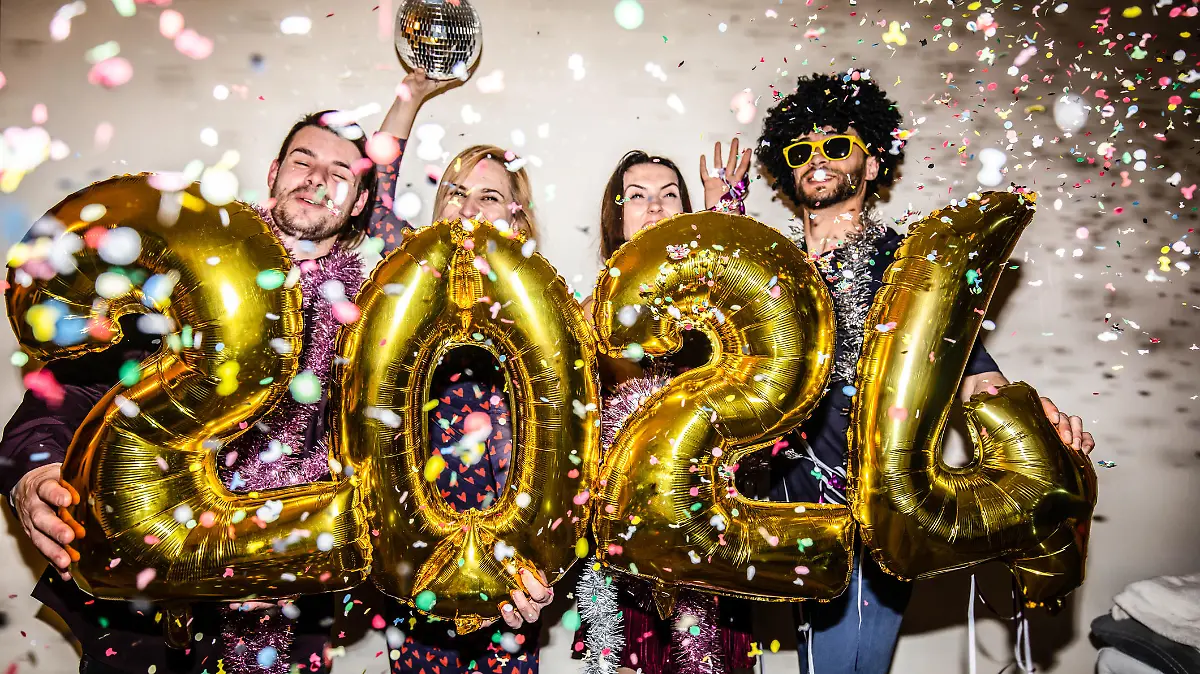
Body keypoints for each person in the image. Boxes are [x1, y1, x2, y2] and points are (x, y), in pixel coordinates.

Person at [1, 110, 383, 673]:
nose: (316, 178)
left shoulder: (372, 318)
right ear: (275, 171)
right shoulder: (182, 272)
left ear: (356, 204)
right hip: (144, 608)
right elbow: (61, 397)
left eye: (340, 172)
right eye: (303, 160)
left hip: (286, 605)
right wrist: (34, 475)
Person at [756, 70, 1096, 674]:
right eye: (800, 148)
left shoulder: (904, 264)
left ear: (871, 163)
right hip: (784, 515)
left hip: (875, 510)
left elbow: (968, 366)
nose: (817, 158)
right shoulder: (771, 273)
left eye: (837, 144)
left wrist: (1037, 424)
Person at [368, 68, 551, 674]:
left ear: (517, 222)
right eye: (455, 193)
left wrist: (541, 558)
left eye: (489, 197)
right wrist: (410, 97)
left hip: (510, 571)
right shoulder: (413, 281)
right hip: (419, 557)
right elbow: (378, 193)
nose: (468, 209)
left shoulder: (544, 314)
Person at [575, 144, 760, 674]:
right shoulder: (590, 309)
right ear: (617, 214)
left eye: (668, 195)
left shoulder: (714, 307)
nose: (654, 207)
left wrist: (722, 215)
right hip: (620, 543)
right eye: (637, 196)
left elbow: (749, 310)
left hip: (708, 528)